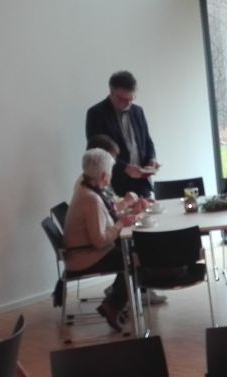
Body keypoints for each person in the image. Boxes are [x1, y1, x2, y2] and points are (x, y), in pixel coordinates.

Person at [63, 148, 147, 330]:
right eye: (110, 173)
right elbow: (100, 240)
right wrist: (121, 224)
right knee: (135, 259)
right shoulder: (91, 199)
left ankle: (116, 302)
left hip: (83, 253)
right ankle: (114, 305)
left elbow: (106, 220)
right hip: (85, 257)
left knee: (131, 253)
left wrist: (126, 216)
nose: (110, 177)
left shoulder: (86, 189)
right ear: (103, 176)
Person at [85, 70, 159, 198]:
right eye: (122, 99)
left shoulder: (138, 111)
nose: (127, 103)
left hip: (141, 183)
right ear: (111, 92)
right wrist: (125, 168)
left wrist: (151, 159)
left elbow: (147, 141)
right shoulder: (96, 113)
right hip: (114, 183)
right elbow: (97, 152)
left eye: (131, 98)